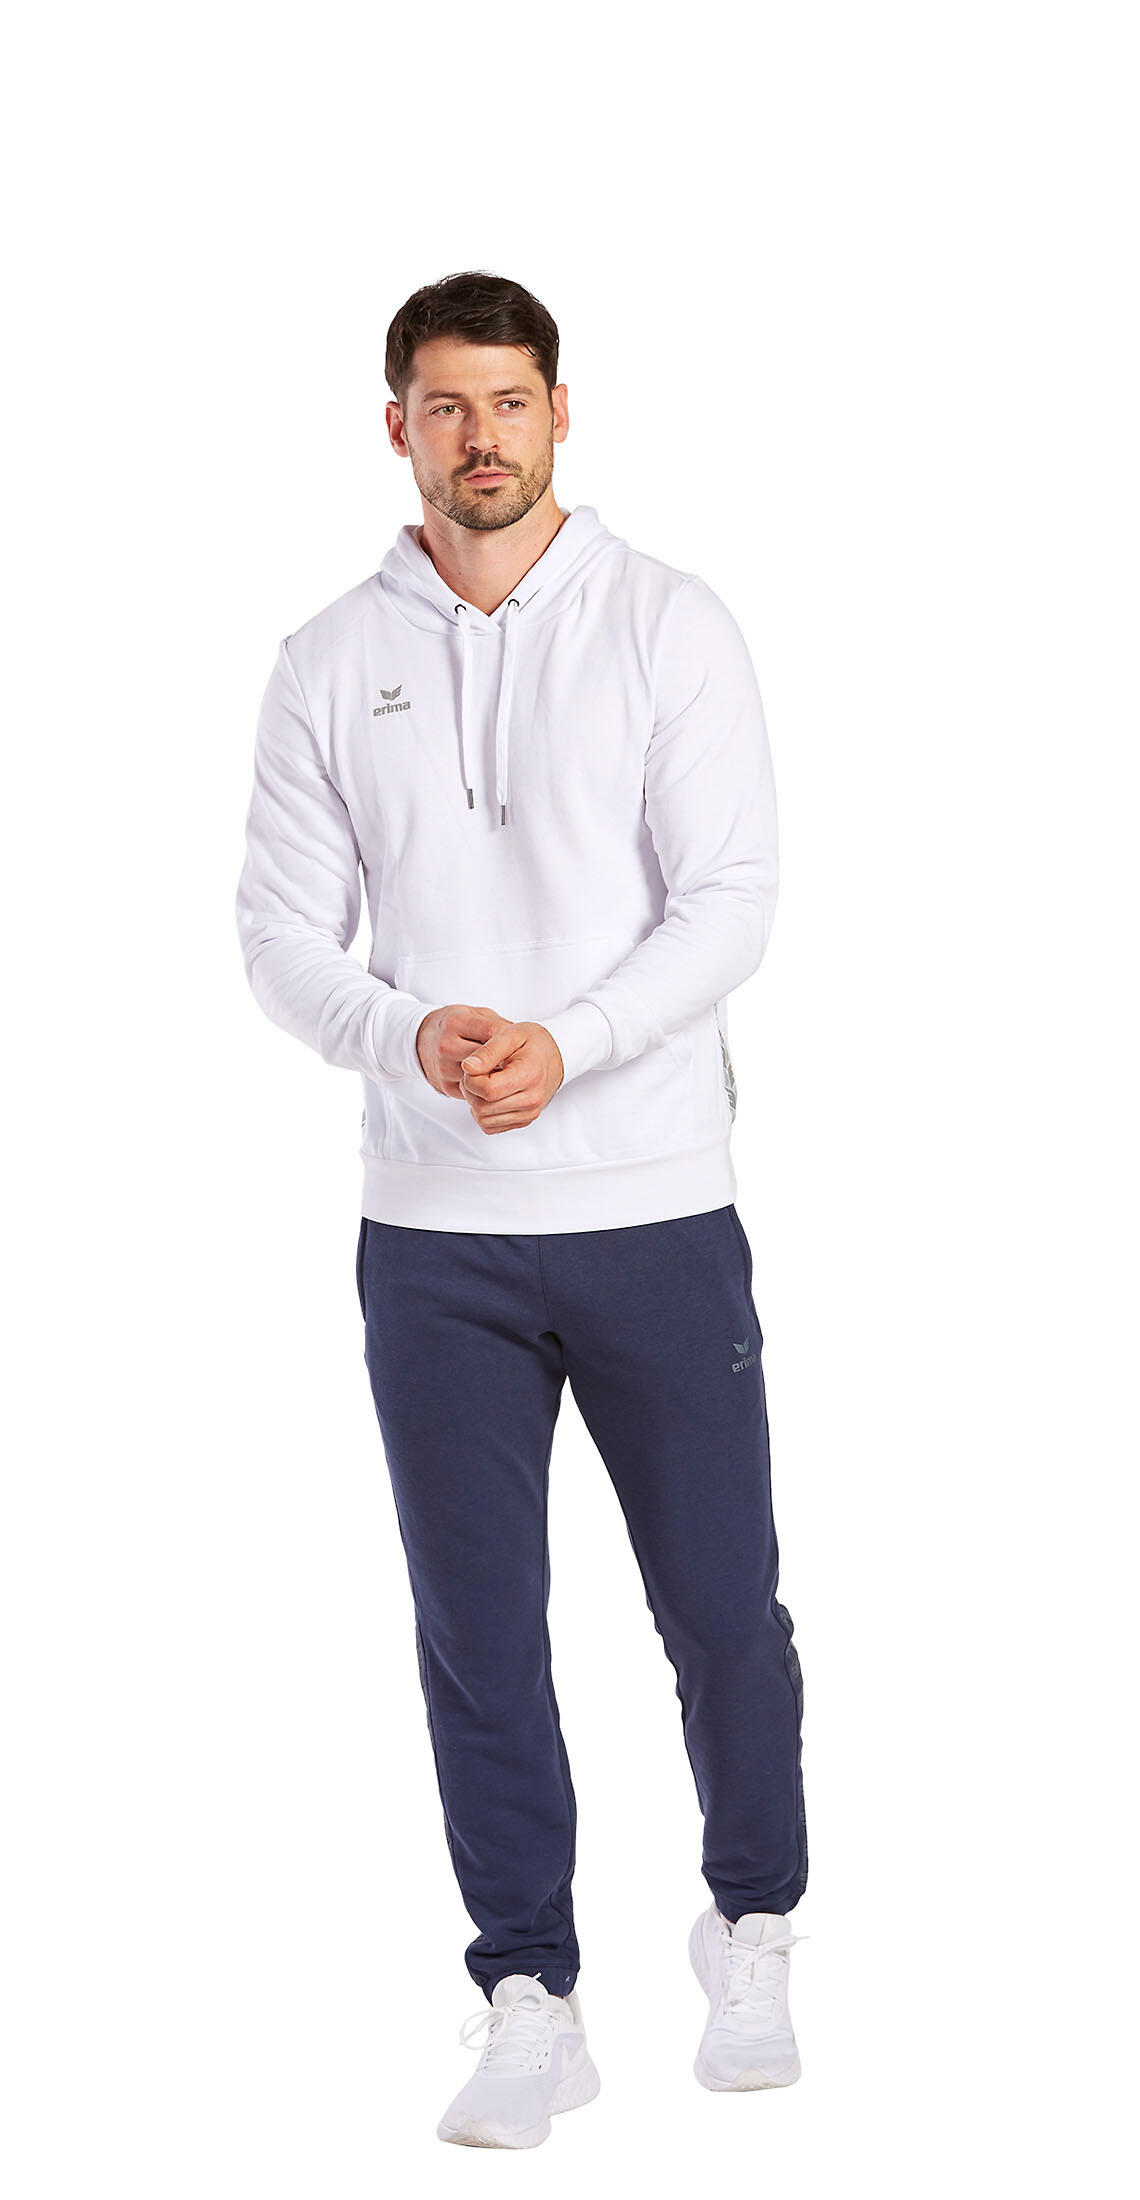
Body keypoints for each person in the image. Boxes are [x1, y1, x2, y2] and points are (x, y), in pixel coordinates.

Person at [235, 271, 807, 2149]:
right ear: (394, 426)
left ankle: (751, 1921)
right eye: (441, 405)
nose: (476, 437)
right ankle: (527, 1991)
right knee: (477, 1632)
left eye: (506, 400)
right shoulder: (329, 657)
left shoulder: (667, 623)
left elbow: (728, 901)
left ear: (561, 411)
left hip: (651, 1207)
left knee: (718, 1608)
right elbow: (279, 935)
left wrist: (571, 1044)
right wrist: (410, 1035)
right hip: (434, 1236)